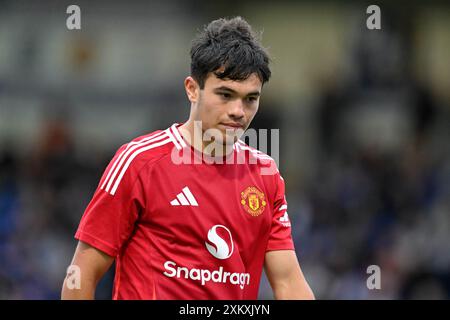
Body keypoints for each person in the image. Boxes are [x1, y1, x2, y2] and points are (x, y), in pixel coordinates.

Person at [61, 16, 314, 300]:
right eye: (225, 94)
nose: (238, 111)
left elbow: (289, 283)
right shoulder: (138, 162)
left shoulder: (265, 175)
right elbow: (82, 274)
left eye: (250, 99)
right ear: (192, 89)